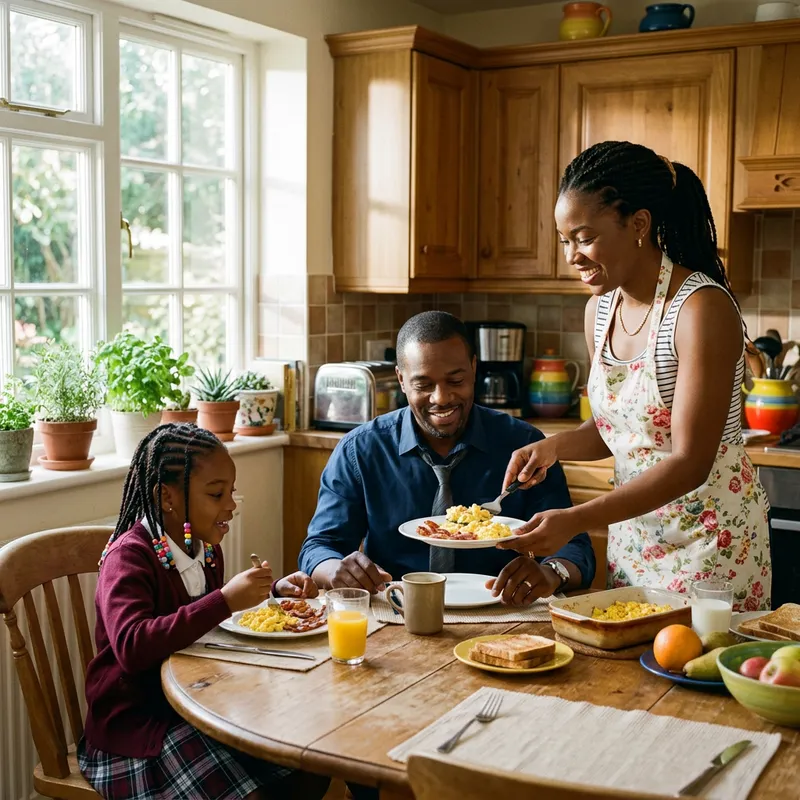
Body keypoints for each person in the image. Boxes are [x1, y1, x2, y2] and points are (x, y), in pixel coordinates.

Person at [499, 140, 771, 612]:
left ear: (639, 224)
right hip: (635, 542)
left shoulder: (699, 308)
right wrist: (553, 446)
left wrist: (574, 519)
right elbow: (620, 431)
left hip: (711, 547)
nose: (572, 256)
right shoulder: (599, 312)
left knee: (698, 678)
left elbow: (690, 461)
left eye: (584, 237)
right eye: (565, 240)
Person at [79, 423, 329, 800]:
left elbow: (208, 624)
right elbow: (132, 647)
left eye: (231, 491)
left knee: (309, 765)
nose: (230, 504)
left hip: (201, 706)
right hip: (137, 729)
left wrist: (272, 595)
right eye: (216, 493)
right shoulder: (129, 557)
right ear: (167, 497)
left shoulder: (206, 551)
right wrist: (225, 599)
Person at [299, 311, 595, 604]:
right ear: (401, 380)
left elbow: (575, 548)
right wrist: (338, 570)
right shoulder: (361, 450)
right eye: (423, 385)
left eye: (455, 381)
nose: (441, 398)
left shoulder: (524, 445)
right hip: (395, 611)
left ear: (474, 369)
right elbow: (319, 547)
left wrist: (551, 573)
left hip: (503, 613)